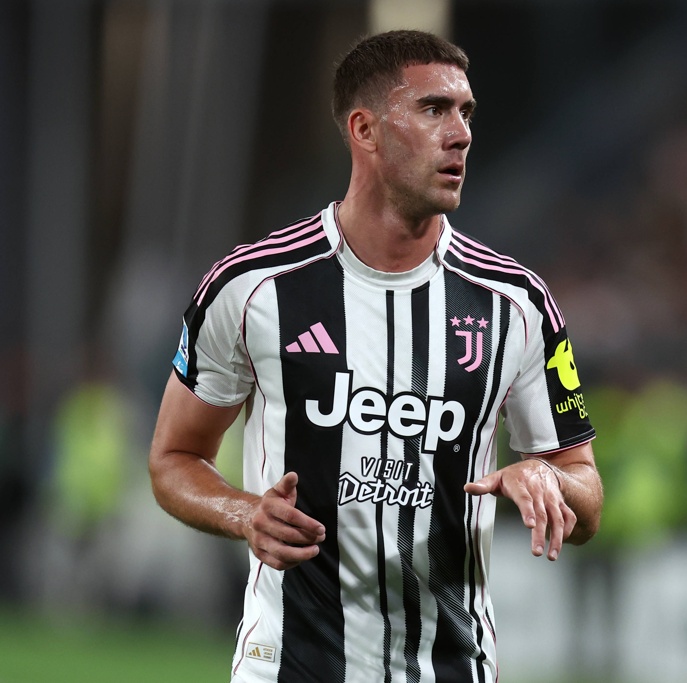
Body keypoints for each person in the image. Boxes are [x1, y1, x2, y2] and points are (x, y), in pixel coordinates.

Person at [149, 30, 603, 683]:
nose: (461, 134)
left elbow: (586, 494)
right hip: (290, 666)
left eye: (466, 112)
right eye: (433, 109)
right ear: (365, 130)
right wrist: (244, 513)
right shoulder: (251, 288)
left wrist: (551, 479)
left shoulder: (518, 303)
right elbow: (173, 458)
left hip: (451, 667)